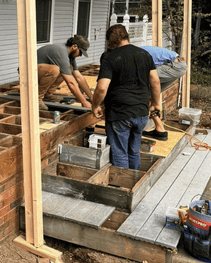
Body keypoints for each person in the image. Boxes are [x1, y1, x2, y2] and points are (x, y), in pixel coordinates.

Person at [92, 25, 161, 170]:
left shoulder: (110, 58)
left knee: (120, 152)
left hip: (119, 114)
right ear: (126, 36)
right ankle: (133, 182)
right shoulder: (145, 55)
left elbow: (102, 87)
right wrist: (155, 103)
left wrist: (96, 105)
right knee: (134, 151)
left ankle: (121, 188)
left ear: (111, 41)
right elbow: (155, 81)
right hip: (141, 113)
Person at [140, 46, 188, 141]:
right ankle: (160, 130)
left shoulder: (137, 54)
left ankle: (135, 125)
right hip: (178, 66)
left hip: (175, 66)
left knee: (142, 81)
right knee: (150, 95)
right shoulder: (138, 52)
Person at [36, 35, 93, 110]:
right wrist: (84, 102)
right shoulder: (61, 52)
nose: (80, 55)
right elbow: (70, 82)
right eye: (80, 52)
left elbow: (79, 77)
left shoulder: (70, 56)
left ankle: (47, 95)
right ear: (74, 46)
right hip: (27, 72)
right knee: (54, 70)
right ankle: (37, 99)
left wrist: (92, 98)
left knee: (69, 68)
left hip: (40, 72)